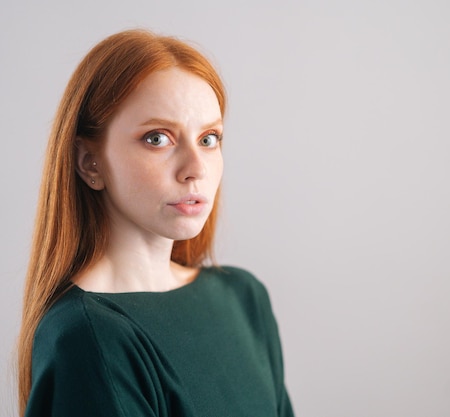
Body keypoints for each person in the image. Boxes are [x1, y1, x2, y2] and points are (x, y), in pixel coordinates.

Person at [17, 29, 294, 417]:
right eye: (157, 138)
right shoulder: (88, 337)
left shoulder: (244, 298)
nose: (195, 169)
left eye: (209, 138)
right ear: (89, 162)